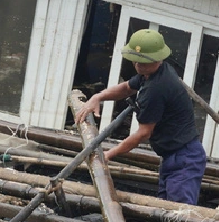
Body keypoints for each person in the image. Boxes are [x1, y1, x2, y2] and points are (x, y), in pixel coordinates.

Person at [74, 29, 207, 205]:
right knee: (164, 209)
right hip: (171, 155)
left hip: (184, 157)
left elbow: (144, 133)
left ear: (159, 59)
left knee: (178, 213)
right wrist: (97, 97)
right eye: (136, 62)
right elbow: (127, 88)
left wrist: (109, 154)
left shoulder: (157, 88)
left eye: (144, 63)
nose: (138, 66)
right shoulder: (151, 74)